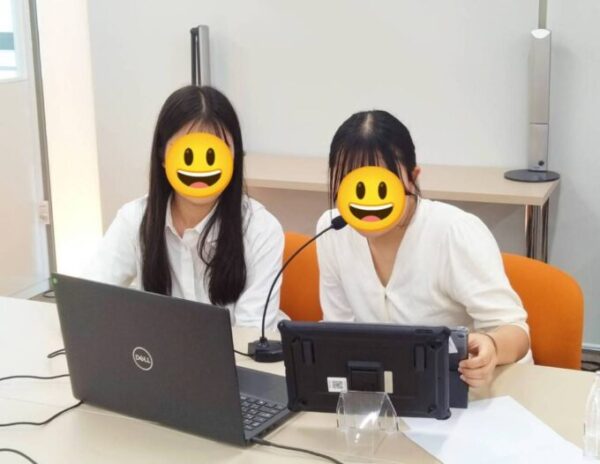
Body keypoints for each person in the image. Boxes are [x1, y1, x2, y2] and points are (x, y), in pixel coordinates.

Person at [316, 110, 531, 387]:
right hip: (391, 389)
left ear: (413, 177)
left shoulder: (454, 232)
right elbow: (337, 330)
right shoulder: (333, 229)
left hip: (473, 386)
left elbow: (517, 331)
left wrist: (492, 345)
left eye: (381, 185)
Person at [84, 85, 284, 329]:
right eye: (187, 154)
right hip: (160, 352)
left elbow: (251, 333)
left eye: (213, 153)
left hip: (234, 354)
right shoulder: (135, 219)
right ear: (163, 156)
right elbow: (89, 298)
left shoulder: (261, 229)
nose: (199, 167)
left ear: (234, 157)